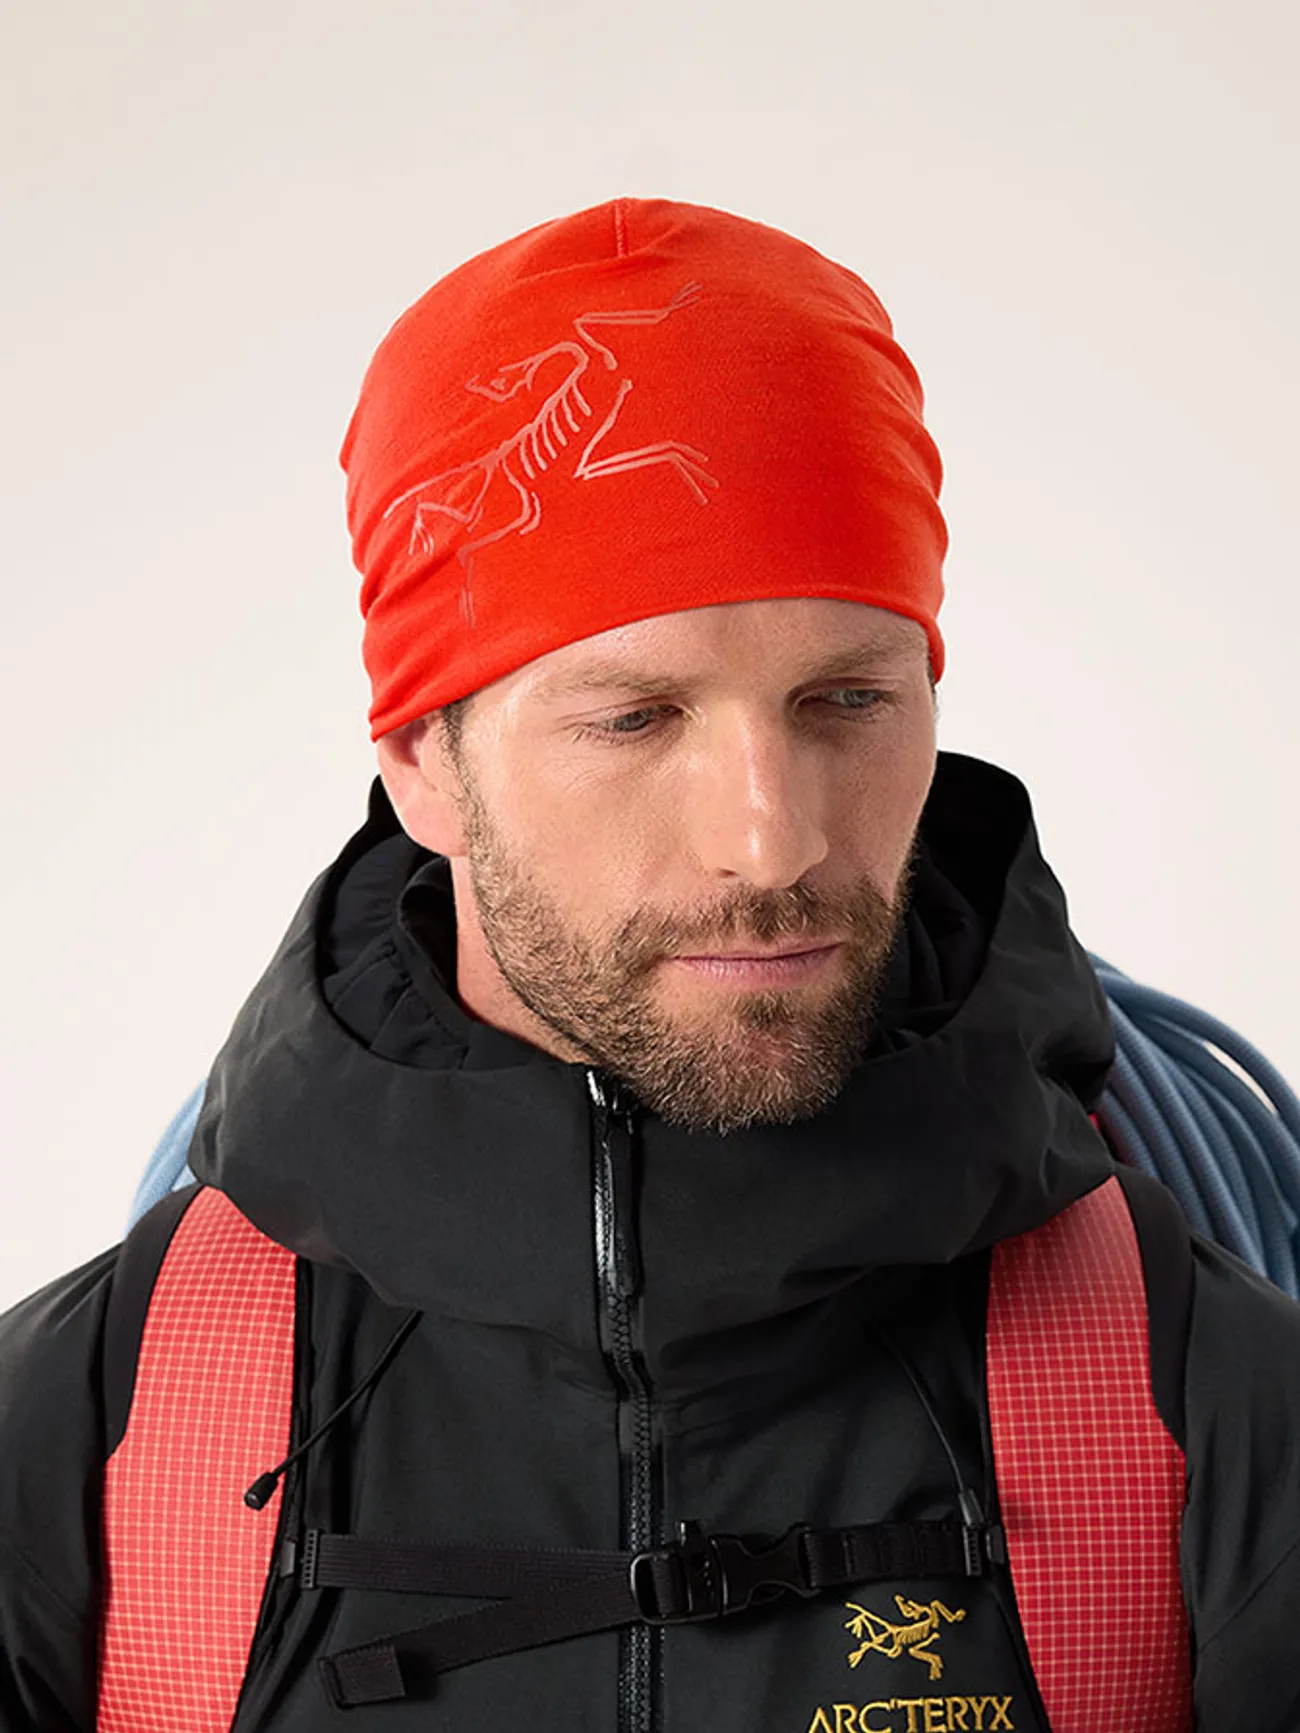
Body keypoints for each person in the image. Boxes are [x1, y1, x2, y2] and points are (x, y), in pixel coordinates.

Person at [2, 195, 1298, 1733]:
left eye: (847, 702)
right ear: (423, 766)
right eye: (635, 718)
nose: (772, 841)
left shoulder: (1208, 1407)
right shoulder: (89, 1436)